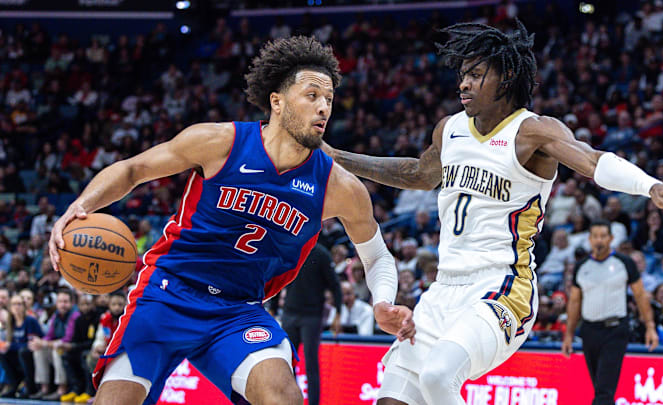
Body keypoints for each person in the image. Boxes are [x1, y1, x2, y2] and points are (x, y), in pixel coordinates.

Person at [321, 20, 663, 405]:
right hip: (442, 291)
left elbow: (594, 161)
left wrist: (651, 185)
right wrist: (340, 158)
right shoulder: (450, 128)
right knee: (392, 398)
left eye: (475, 74)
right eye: (462, 75)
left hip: (504, 289)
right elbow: (419, 173)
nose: (463, 84)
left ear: (506, 76)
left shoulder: (533, 131)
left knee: (440, 376)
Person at [48, 36, 414, 405]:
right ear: (277, 101)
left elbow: (377, 255)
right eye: (312, 96)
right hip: (167, 293)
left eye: (329, 100)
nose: (323, 108)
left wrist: (383, 301)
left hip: (238, 311)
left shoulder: (339, 186)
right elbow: (133, 169)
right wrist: (79, 206)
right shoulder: (219, 141)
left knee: (283, 397)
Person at [562, 220, 658, 405]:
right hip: (589, 331)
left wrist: (650, 327)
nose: (599, 240)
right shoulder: (581, 267)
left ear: (611, 238)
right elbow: (574, 302)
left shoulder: (625, 263)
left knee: (604, 391)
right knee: (600, 387)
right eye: (595, 236)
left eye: (603, 236)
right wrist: (569, 335)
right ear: (589, 239)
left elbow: (640, 295)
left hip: (615, 331)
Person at [278, 244, 342, 405]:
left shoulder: (321, 254)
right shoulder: (292, 249)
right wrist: (272, 308)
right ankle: (289, 401)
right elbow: (278, 278)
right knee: (286, 361)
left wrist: (338, 314)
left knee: (311, 363)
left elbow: (335, 285)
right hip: (289, 313)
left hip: (312, 315)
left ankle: (314, 403)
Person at [29, 287, 78, 400]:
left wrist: (44, 343)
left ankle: (62, 388)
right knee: (39, 350)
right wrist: (40, 342)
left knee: (57, 350)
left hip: (72, 348)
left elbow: (67, 339)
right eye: (60, 302)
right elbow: (49, 335)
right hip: (57, 345)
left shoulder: (74, 315)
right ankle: (44, 388)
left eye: (65, 302)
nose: (62, 305)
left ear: (72, 302)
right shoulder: (56, 315)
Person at [0, 295, 42, 398]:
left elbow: (31, 343)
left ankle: (30, 387)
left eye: (19, 304)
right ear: (10, 307)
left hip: (34, 353)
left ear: (24, 306)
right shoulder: (11, 322)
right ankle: (13, 385)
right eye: (14, 304)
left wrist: (11, 345)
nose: (17, 307)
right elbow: (12, 344)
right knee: (3, 353)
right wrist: (6, 346)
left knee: (23, 352)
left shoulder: (30, 321)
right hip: (19, 353)